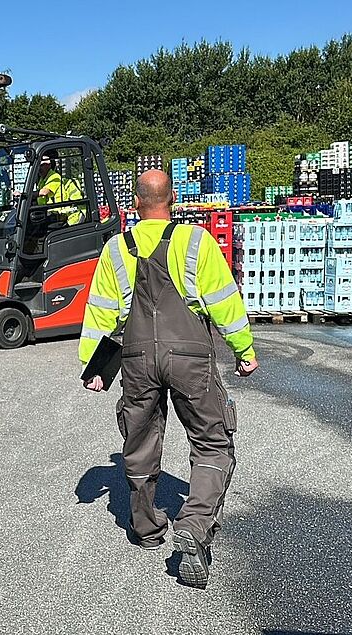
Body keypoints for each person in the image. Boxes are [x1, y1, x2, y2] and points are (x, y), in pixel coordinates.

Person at [78, 169, 258, 589]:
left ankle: (145, 528)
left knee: (139, 440)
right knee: (212, 440)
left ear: (136, 203)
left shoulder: (115, 248)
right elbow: (223, 300)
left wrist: (94, 367)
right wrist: (243, 351)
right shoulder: (196, 241)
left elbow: (103, 309)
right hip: (190, 355)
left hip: (137, 356)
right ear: (172, 199)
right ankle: (193, 526)